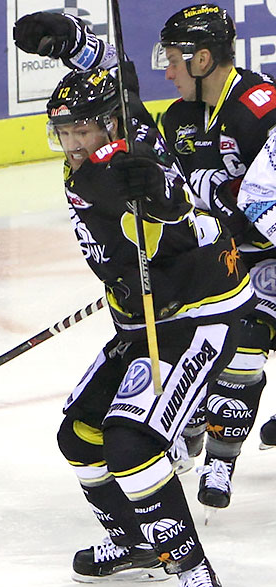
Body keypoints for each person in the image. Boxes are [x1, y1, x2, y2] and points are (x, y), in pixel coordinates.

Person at [14, 15, 255, 587]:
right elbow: (111, 73)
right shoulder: (112, 138)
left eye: (81, 132)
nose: (71, 145)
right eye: (61, 133)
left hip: (200, 314)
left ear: (110, 127)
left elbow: (184, 216)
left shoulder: (137, 162)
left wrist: (162, 202)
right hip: (139, 318)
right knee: (79, 436)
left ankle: (190, 562)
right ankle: (134, 539)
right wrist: (72, 43)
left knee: (131, 442)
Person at [155, 4, 276, 484]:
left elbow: (264, 213)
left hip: (270, 253)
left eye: (172, 61)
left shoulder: (262, 108)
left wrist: (228, 209)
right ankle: (195, 421)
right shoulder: (177, 120)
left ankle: (220, 462)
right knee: (193, 337)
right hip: (225, 258)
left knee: (247, 339)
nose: (167, 73)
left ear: (202, 60)